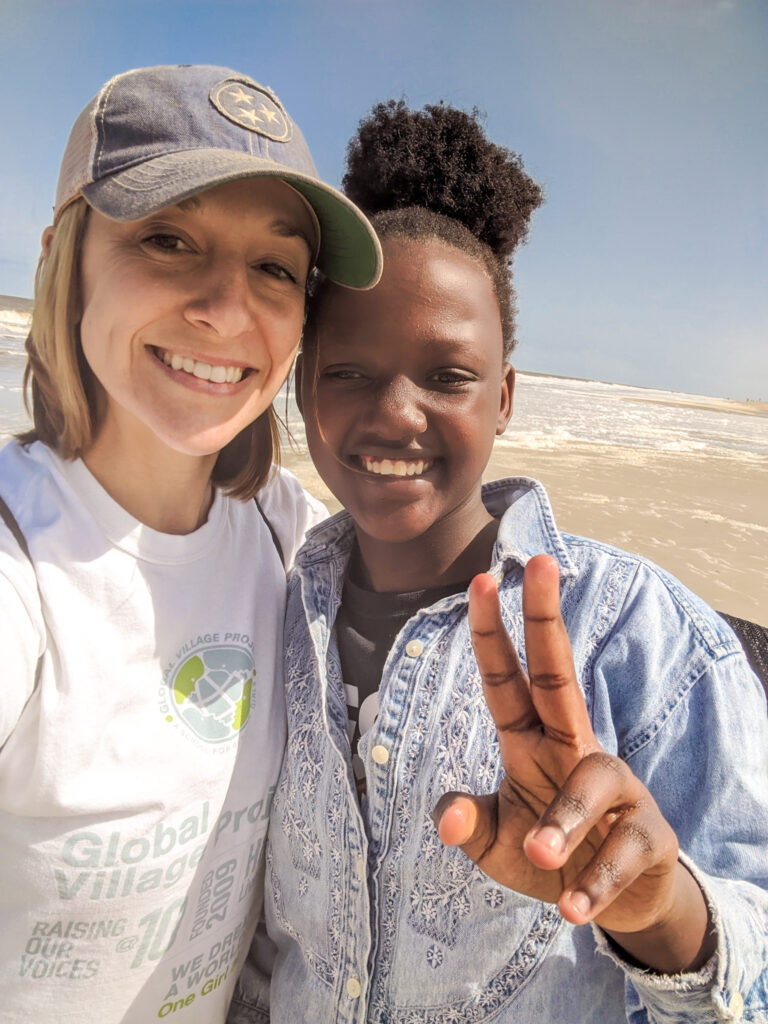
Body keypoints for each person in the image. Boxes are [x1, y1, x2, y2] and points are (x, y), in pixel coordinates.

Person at [252, 102, 768, 1022]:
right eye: (348, 371)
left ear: (504, 397)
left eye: (447, 375)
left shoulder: (636, 633)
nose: (397, 412)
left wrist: (660, 913)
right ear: (302, 384)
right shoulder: (278, 610)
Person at [0, 64, 382, 1023]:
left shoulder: (286, 533)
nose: (226, 310)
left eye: (275, 269)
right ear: (64, 255)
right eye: (167, 240)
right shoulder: (23, 563)